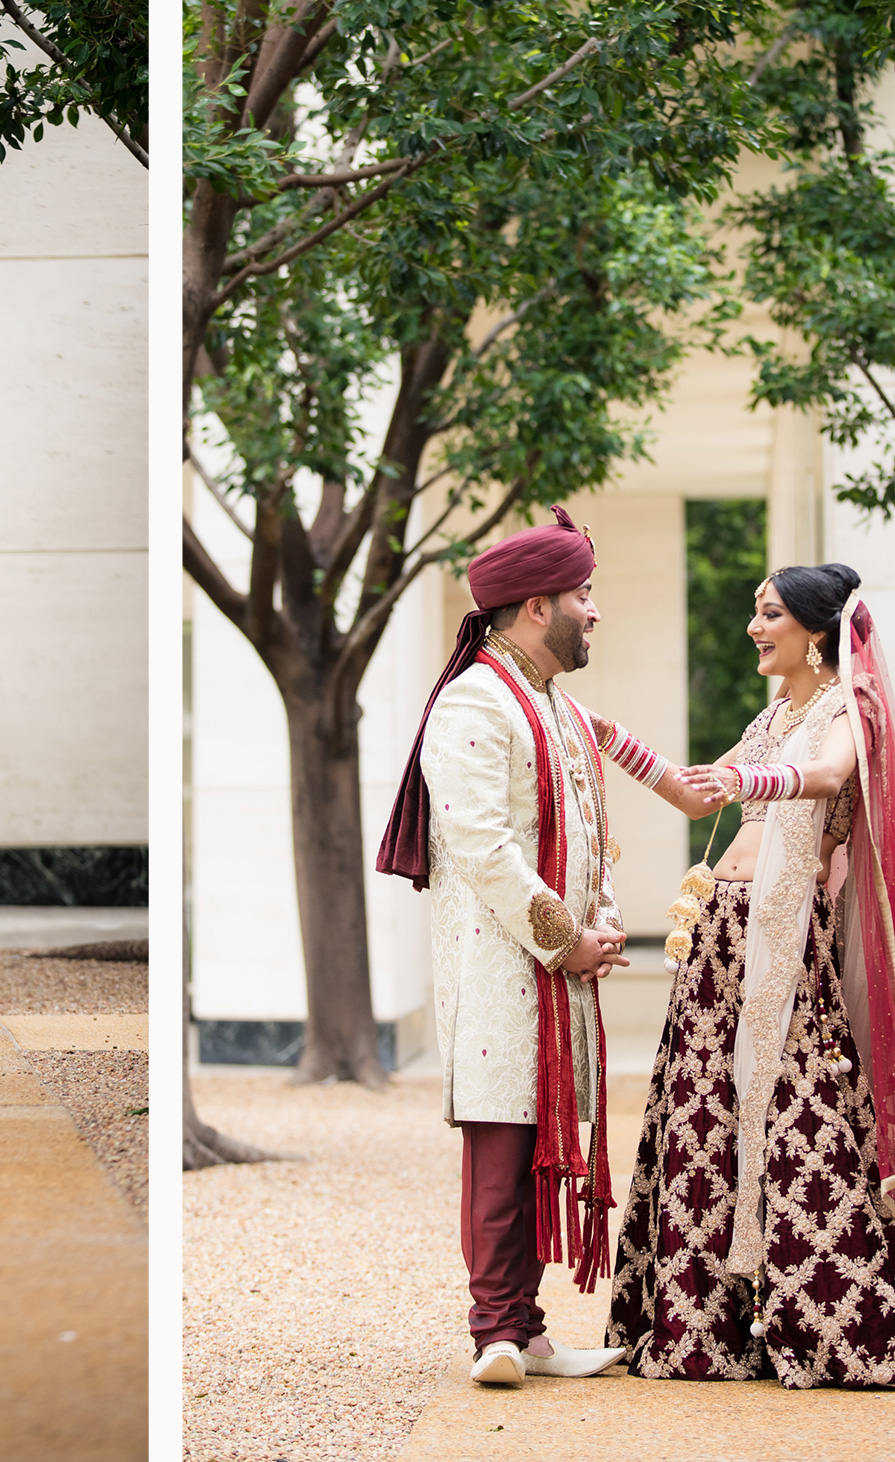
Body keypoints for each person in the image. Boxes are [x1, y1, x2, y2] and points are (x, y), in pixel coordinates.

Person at [590, 565, 895, 1387]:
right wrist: (607, 737)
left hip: (786, 939)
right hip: (721, 935)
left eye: (768, 612)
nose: (754, 626)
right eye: (754, 610)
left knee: (801, 1115)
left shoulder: (848, 709)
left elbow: (825, 778)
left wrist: (752, 779)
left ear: (816, 633)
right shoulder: (774, 713)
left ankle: (836, 1323)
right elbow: (694, 796)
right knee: (706, 1114)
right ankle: (707, 1327)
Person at [376, 506, 631, 1387]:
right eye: (582, 595)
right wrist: (566, 942)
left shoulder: (551, 702)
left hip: (554, 961)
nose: (593, 611)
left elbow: (592, 826)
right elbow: (484, 848)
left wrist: (602, 917)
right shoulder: (477, 699)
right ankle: (497, 1331)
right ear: (535, 607)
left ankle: (527, 1331)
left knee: (529, 1148)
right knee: (500, 1140)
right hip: (501, 960)